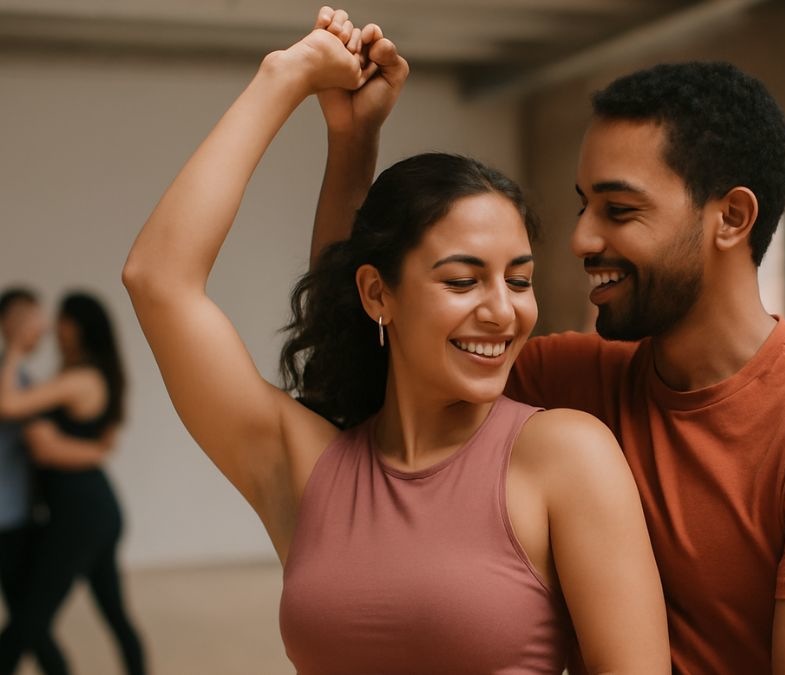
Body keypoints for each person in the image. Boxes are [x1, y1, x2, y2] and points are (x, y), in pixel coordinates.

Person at [313, 24, 785, 672]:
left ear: (732, 218)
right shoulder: (566, 378)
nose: (580, 240)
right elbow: (370, 341)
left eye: (619, 211)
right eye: (583, 207)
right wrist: (354, 140)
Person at [123, 8, 668, 674]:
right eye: (464, 280)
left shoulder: (563, 456)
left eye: (519, 280)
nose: (503, 311)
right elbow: (159, 280)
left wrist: (352, 140)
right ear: (379, 296)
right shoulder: (308, 466)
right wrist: (285, 79)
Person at [0, 292, 145, 675]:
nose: (51, 328)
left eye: (59, 320)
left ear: (76, 328)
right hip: (90, 510)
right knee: (113, 613)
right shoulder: (83, 376)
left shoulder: (80, 378)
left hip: (81, 515)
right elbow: (99, 445)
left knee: (30, 615)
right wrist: (88, 450)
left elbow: (13, 410)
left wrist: (13, 345)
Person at [0, 288, 70, 674]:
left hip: (17, 517)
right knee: (30, 620)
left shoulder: (22, 376)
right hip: (7, 520)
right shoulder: (11, 377)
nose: (41, 327)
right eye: (31, 318)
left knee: (29, 618)